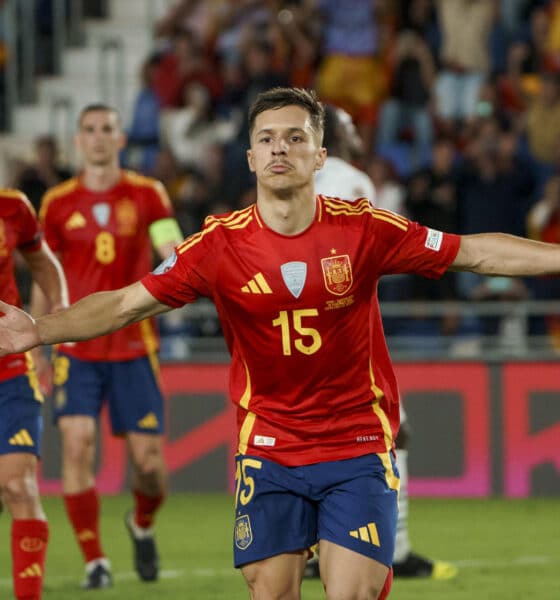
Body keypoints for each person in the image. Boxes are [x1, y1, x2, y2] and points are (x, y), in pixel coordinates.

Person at [2, 87, 560, 599]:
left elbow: (473, 252)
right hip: (269, 448)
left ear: (321, 156)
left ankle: (369, 563)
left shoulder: (365, 229)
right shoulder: (218, 247)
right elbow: (126, 302)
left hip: (357, 442)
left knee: (353, 592)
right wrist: (38, 328)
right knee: (271, 591)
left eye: (296, 137)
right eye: (266, 138)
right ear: (249, 157)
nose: (279, 149)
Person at [30, 103, 184, 589]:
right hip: (75, 348)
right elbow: (44, 277)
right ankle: (95, 560)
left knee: (151, 468)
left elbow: (169, 248)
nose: (98, 138)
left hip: (134, 345)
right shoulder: (56, 203)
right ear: (79, 141)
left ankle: (141, 523)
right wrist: (35, 340)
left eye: (107, 130)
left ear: (120, 139)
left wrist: (178, 264)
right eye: (89, 130)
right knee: (77, 446)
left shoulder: (148, 194)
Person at [312, 104, 457, 580]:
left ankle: (315, 550)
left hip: (295, 332)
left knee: (309, 440)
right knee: (394, 431)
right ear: (335, 134)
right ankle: (395, 549)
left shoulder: (287, 183)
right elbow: (352, 253)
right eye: (352, 125)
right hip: (343, 333)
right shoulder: (353, 180)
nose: (359, 133)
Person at [0, 188, 67, 600]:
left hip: (10, 371)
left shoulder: (13, 208)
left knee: (19, 486)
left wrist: (59, 312)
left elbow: (43, 262)